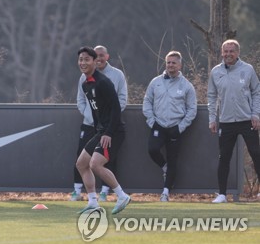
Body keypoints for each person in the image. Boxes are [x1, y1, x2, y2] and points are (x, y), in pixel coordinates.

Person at [75, 46, 131, 215]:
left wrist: (108, 132)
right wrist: (98, 129)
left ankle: (122, 196)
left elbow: (116, 108)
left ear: (95, 61)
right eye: (80, 60)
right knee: (81, 164)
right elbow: (95, 111)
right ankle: (93, 202)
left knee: (95, 164)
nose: (83, 63)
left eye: (87, 59)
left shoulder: (103, 82)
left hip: (113, 132)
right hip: (100, 131)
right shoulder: (86, 84)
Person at [208, 39, 260, 203]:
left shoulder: (248, 69)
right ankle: (222, 194)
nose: (228, 54)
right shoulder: (215, 72)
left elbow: (256, 92)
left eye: (231, 51)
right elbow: (211, 96)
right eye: (226, 51)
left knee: (256, 154)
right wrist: (212, 119)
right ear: (222, 53)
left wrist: (256, 114)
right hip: (226, 121)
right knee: (224, 157)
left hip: (247, 120)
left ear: (237, 53)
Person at [142, 51, 197, 202]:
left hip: (175, 127)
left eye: (174, 63)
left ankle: (165, 193)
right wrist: (152, 122)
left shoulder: (187, 86)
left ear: (180, 65)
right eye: (168, 62)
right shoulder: (155, 82)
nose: (170, 65)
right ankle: (164, 167)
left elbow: (192, 110)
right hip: (158, 125)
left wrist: (180, 127)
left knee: (173, 159)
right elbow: (147, 103)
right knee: (152, 150)